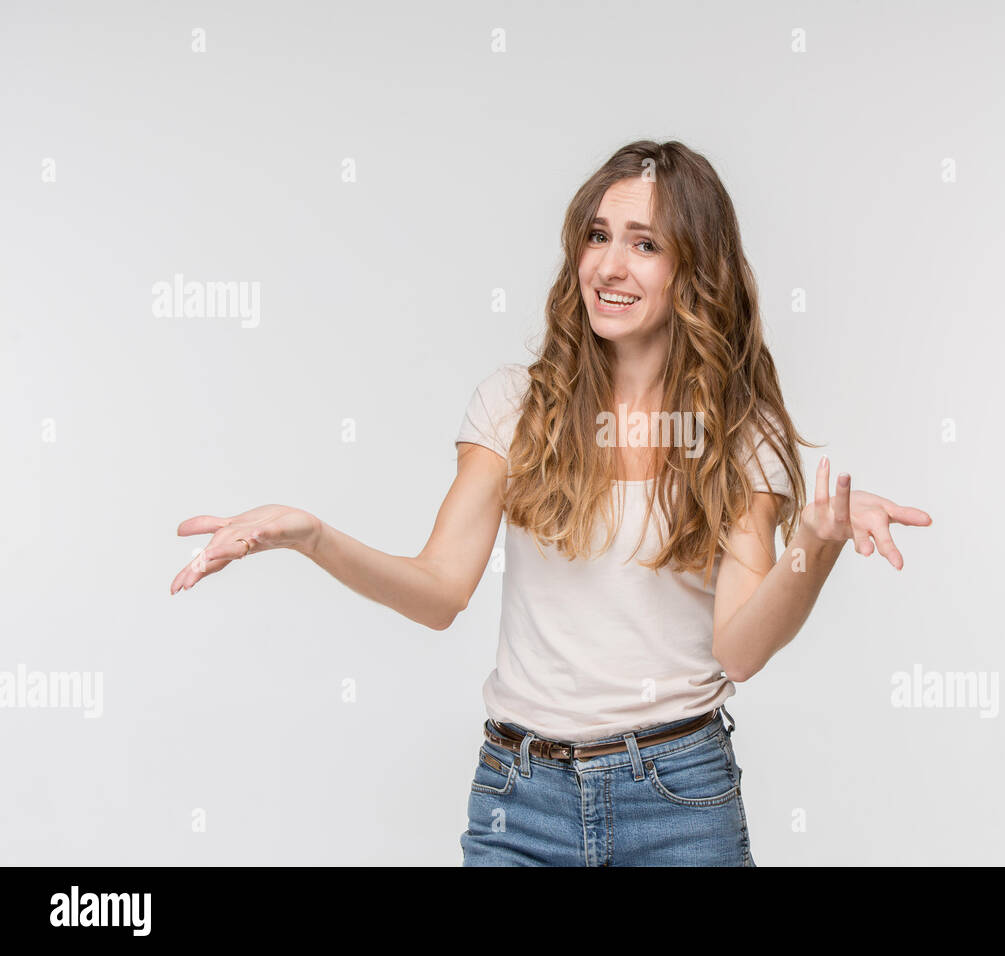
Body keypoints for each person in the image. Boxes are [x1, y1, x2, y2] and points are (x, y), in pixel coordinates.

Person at [168, 140, 933, 866]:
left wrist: (817, 540)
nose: (608, 264)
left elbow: (740, 649)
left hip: (679, 797)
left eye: (645, 243)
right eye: (597, 235)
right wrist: (312, 536)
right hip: (520, 796)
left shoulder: (739, 432)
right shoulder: (514, 407)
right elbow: (439, 592)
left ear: (695, 270)